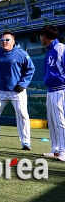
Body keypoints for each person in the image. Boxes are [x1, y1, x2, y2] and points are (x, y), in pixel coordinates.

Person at [39, 25, 65, 160]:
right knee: (53, 121)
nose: (40, 38)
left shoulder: (60, 48)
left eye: (40, 35)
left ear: (45, 35)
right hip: (51, 90)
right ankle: (55, 149)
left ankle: (64, 150)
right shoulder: (49, 51)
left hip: (61, 89)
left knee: (60, 121)